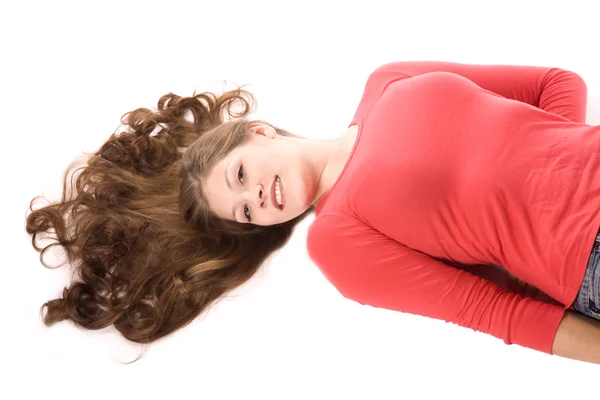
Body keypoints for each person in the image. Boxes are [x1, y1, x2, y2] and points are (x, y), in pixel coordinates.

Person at [26, 61, 600, 365]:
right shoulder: (341, 244)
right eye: (246, 213)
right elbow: (489, 310)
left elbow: (554, 82)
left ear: (256, 133)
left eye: (241, 177)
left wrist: (559, 164)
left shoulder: (389, 79)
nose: (257, 201)